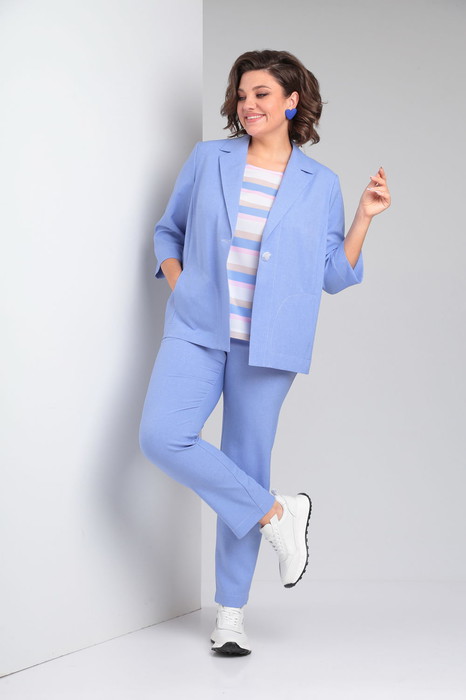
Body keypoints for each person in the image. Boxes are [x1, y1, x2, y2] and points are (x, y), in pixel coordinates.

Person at [138, 49, 391, 657]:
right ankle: (278, 512)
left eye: (262, 94)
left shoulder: (319, 183)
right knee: (162, 436)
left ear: (291, 102)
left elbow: (333, 274)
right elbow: (168, 229)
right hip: (198, 327)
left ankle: (230, 617)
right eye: (242, 94)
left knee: (244, 465)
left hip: (270, 342)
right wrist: (181, 283)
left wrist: (363, 218)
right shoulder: (210, 159)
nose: (248, 105)